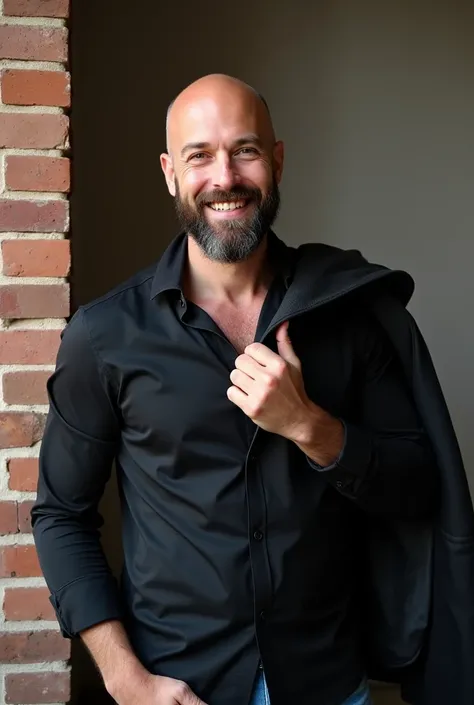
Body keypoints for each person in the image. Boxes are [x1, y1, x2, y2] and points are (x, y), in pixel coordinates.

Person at [32, 74, 473, 705]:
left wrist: (309, 427)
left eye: (245, 150)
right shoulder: (104, 336)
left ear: (278, 160)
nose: (225, 177)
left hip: (328, 682)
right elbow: (61, 515)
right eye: (199, 155)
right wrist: (125, 679)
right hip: (177, 687)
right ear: (169, 173)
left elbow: (420, 488)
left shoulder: (348, 312)